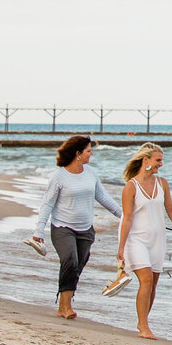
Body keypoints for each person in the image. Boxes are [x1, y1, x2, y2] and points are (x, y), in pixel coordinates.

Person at [27, 134, 121, 320]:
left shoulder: (91, 173)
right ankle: (65, 306)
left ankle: (64, 302)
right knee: (69, 259)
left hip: (86, 229)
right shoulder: (59, 176)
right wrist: (39, 231)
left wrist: (124, 216)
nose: (91, 154)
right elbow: (47, 204)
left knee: (78, 265)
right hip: (63, 227)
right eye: (88, 151)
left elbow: (103, 197)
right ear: (78, 153)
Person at [114, 142, 172, 340]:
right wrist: (121, 247)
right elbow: (127, 218)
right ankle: (144, 328)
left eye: (161, 161)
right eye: (158, 160)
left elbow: (170, 209)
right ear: (145, 160)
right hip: (136, 240)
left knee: (153, 284)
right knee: (145, 279)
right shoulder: (131, 187)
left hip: (157, 240)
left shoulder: (162, 183)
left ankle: (142, 321)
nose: (160, 164)